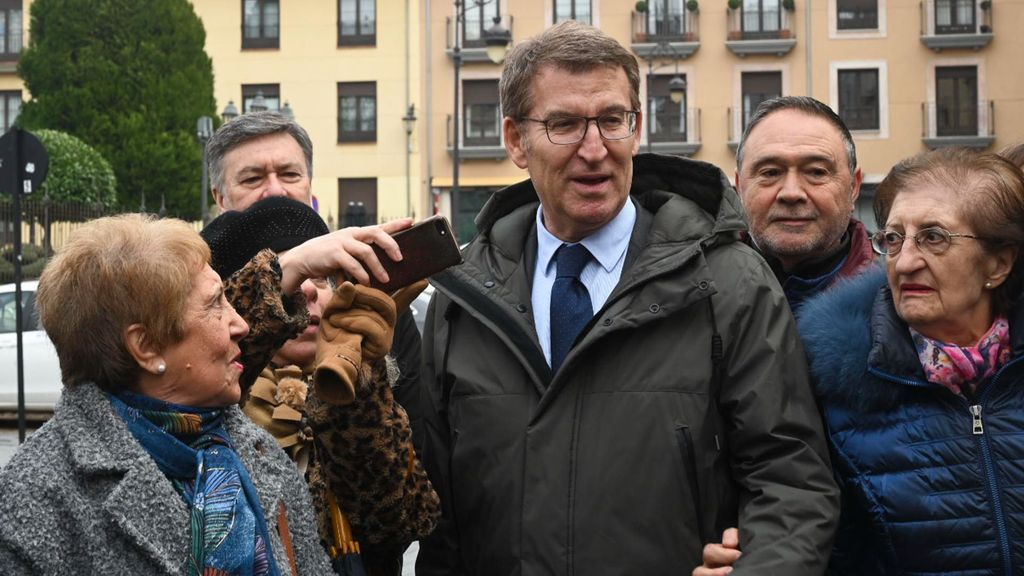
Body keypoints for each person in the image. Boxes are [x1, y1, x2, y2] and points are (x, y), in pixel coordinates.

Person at [417, 21, 838, 576]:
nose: (595, 150)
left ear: (636, 129)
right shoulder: (463, 294)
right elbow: (440, 521)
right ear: (516, 140)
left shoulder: (730, 281)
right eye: (564, 124)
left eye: (613, 121)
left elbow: (790, 479)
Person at [0, 214, 333, 574]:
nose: (241, 324)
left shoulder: (258, 452)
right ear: (146, 346)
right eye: (215, 304)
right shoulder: (36, 496)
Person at [201, 196, 440, 576]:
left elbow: (399, 524)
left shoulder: (373, 387)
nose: (311, 291)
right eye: (292, 275)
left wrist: (352, 389)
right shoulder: (206, 399)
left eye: (324, 276)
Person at [206, 111, 427, 453]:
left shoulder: (368, 297)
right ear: (220, 197)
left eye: (290, 174)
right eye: (253, 179)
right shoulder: (199, 288)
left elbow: (418, 448)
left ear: (310, 184)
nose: (275, 191)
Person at [734, 96, 876, 312]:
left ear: (853, 187)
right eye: (770, 172)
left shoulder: (904, 302)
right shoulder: (689, 296)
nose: (792, 193)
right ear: (740, 186)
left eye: (817, 172)